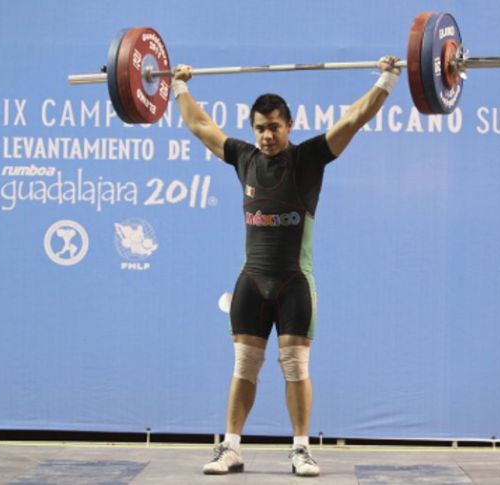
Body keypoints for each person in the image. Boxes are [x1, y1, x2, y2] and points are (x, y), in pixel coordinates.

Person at [172, 55, 401, 477]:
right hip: (252, 281)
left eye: (274, 127)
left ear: (288, 126)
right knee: (244, 366)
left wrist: (386, 78)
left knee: (295, 367)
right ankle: (231, 448)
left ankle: (300, 449)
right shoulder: (244, 158)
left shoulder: (309, 158)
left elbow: (353, 119)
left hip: (294, 281)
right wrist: (180, 87)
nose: (266, 135)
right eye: (260, 127)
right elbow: (200, 126)